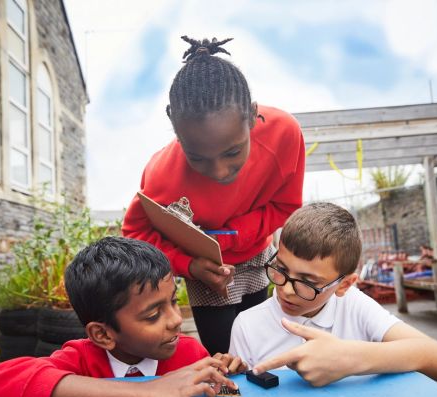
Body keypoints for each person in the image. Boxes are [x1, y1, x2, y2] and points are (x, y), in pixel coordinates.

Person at [122, 36, 305, 355]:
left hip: (258, 255)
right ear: (173, 125)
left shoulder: (284, 135)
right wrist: (189, 265)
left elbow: (286, 205)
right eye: (197, 157)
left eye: (233, 152)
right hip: (204, 272)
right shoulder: (161, 175)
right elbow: (136, 232)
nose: (220, 172)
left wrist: (231, 238)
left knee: (260, 348)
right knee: (223, 354)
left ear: (252, 114)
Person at [0, 237, 244, 397]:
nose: (175, 320)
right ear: (102, 334)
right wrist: (144, 392)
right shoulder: (81, 359)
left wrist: (230, 375)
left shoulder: (190, 353)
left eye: (173, 301)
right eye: (152, 315)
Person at [229, 203, 437, 386]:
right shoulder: (247, 325)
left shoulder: (355, 306)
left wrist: (350, 357)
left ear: (345, 284)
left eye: (308, 281)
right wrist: (231, 374)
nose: (286, 289)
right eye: (281, 269)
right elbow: (236, 395)